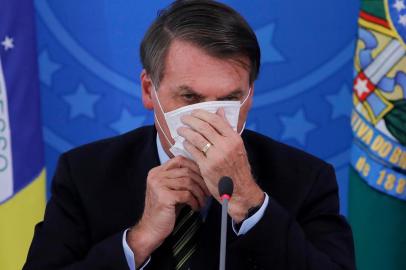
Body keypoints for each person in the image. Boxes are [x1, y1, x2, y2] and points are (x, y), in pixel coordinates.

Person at [23, 1, 355, 269]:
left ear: (250, 96)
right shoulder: (86, 174)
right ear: (148, 91)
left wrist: (249, 202)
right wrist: (139, 239)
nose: (208, 116)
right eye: (190, 98)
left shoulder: (306, 178)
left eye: (228, 99)